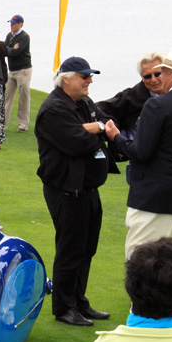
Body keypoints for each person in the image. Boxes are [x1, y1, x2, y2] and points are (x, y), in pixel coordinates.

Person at [105, 48, 172, 282]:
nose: (157, 78)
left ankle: (142, 315)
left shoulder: (157, 106)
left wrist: (116, 136)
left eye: (161, 73)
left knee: (141, 258)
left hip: (152, 196)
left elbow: (140, 152)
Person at [35, 57, 118, 326]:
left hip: (88, 189)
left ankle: (79, 301)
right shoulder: (53, 109)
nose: (89, 81)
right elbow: (77, 143)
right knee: (70, 251)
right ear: (67, 78)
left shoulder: (84, 103)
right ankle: (63, 307)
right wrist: (95, 129)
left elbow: (105, 123)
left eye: (90, 76)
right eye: (85, 76)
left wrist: (95, 127)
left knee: (87, 249)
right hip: (67, 191)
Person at [97, 51, 166, 140]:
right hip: (135, 150)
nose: (153, 80)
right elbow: (100, 108)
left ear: (166, 72)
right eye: (147, 76)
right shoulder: (131, 97)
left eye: (157, 74)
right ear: (142, 78)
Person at [4, 14, 32, 133]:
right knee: (6, 97)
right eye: (11, 23)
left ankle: (23, 125)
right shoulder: (9, 36)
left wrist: (11, 50)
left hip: (23, 70)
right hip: (12, 70)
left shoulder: (24, 37)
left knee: (23, 98)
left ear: (20, 24)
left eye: (14, 23)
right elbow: (6, 51)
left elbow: (16, 53)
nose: (12, 25)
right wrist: (11, 49)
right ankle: (2, 124)